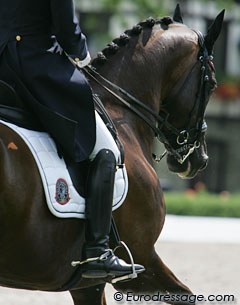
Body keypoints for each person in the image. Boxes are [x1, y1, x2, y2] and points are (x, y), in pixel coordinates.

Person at [0, 0, 144, 280]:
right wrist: (81, 55)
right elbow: (66, 24)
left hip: (3, 67)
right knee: (105, 148)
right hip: (35, 64)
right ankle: (97, 251)